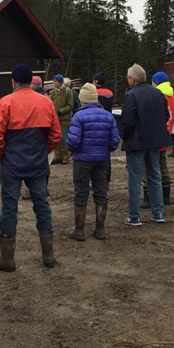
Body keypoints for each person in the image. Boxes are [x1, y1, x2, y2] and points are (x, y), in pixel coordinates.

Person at [0, 64, 62, 271]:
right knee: (42, 205)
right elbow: (56, 134)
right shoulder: (46, 102)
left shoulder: (6, 103)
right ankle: (48, 256)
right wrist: (42, 151)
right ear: (31, 81)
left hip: (12, 163)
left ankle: (7, 259)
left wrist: (1, 156)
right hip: (37, 163)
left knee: (9, 207)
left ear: (13, 82)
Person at [120, 64, 173, 226]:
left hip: (137, 142)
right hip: (155, 141)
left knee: (135, 179)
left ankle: (134, 216)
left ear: (133, 79)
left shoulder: (131, 95)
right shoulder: (158, 94)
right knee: (155, 176)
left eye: (128, 78)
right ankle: (158, 213)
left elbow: (127, 122)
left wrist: (124, 136)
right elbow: (165, 116)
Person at [67, 83, 120, 240]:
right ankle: (100, 229)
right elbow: (115, 141)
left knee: (81, 193)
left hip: (82, 160)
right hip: (102, 160)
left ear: (82, 100)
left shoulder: (78, 117)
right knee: (101, 192)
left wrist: (74, 150)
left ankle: (79, 230)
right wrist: (104, 149)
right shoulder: (108, 116)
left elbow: (72, 142)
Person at [140, 72, 174, 208]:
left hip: (155, 135)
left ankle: (149, 196)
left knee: (149, 166)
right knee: (162, 164)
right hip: (165, 134)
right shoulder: (171, 95)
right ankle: (165, 196)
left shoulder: (157, 95)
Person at [49, 74, 74, 164]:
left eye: (55, 81)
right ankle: (58, 155)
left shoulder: (68, 91)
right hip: (56, 118)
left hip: (65, 119)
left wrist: (61, 111)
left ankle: (66, 156)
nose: (53, 82)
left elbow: (70, 105)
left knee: (64, 137)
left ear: (59, 82)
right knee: (57, 138)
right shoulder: (54, 92)